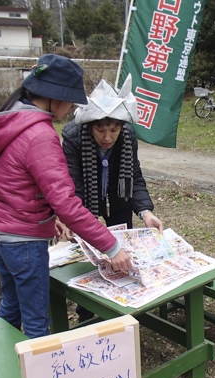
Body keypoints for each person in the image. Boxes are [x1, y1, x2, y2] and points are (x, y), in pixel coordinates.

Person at [0, 54, 131, 339]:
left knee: (10, 308)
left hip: (1, 234)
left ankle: (1, 371)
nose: (71, 108)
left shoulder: (14, 123)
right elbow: (67, 203)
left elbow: (17, 185)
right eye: (71, 101)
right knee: (37, 323)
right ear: (55, 98)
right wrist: (111, 247)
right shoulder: (40, 134)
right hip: (25, 243)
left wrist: (48, 217)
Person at [62, 75, 163, 322]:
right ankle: (86, 313)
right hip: (87, 205)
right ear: (89, 125)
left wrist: (145, 212)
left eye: (114, 130)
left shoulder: (128, 137)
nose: (108, 137)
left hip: (119, 201)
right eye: (101, 129)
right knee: (91, 258)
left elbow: (135, 177)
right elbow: (73, 184)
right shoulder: (74, 138)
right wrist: (75, 219)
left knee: (121, 255)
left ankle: (121, 308)